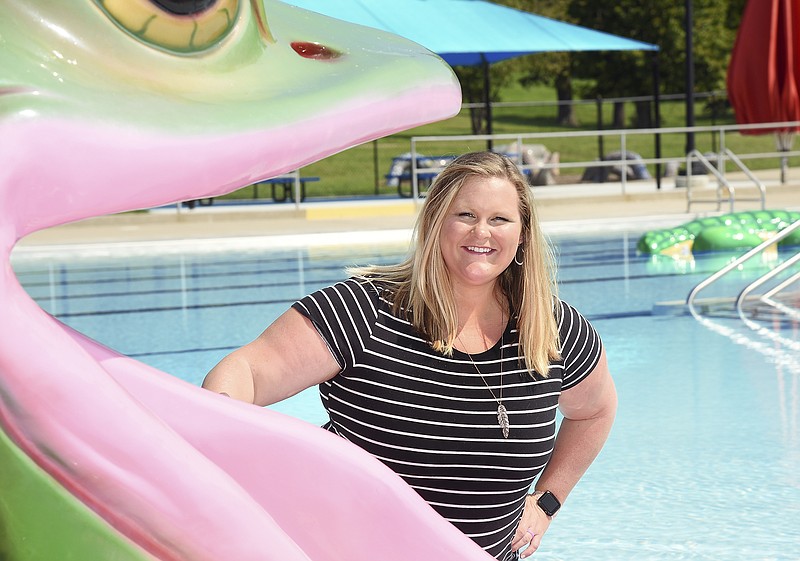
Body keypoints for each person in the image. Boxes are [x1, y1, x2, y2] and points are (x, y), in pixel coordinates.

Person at [202, 151, 617, 560]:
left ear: (522, 233)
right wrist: (217, 455)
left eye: (500, 219)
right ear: (436, 222)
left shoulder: (550, 330)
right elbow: (247, 372)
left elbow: (595, 411)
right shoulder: (366, 310)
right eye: (466, 215)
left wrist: (547, 500)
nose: (482, 233)